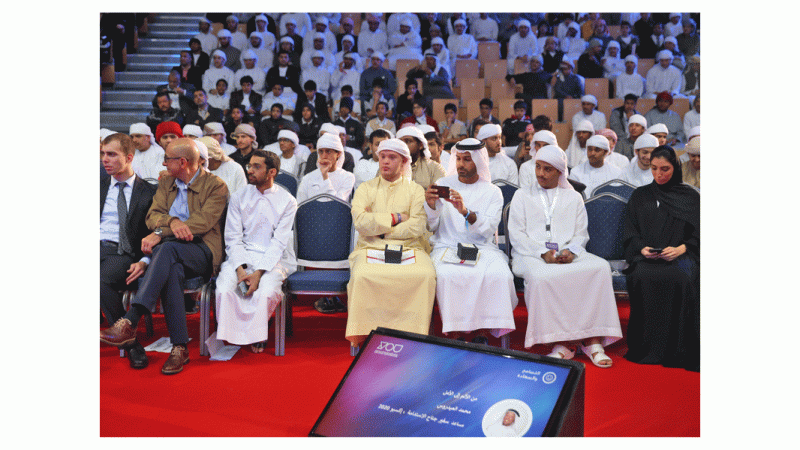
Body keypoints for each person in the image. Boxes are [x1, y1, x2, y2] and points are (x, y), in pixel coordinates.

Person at [100, 138, 228, 375]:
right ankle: (180, 348)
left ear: (183, 162)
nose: (163, 163)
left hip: (202, 250)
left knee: (166, 251)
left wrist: (161, 233)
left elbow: (201, 223)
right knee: (171, 270)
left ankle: (131, 319)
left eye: (167, 159)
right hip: (169, 251)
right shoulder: (167, 182)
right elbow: (152, 216)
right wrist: (171, 223)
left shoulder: (216, 186)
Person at [507, 145, 622, 366]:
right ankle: (561, 343)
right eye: (538, 167)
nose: (540, 173)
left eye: (547, 169)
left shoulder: (573, 197)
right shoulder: (522, 195)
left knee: (600, 268)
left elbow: (581, 234)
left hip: (568, 252)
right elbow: (517, 235)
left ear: (560, 172)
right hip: (530, 254)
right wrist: (542, 253)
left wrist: (571, 251)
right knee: (542, 277)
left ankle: (593, 340)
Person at [345, 138, 437, 349]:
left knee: (424, 275)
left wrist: (380, 230)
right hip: (370, 247)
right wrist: (397, 218)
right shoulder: (365, 188)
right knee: (362, 275)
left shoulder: (416, 190)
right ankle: (365, 336)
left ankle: (415, 337)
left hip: (410, 248)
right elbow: (361, 222)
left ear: (404, 162)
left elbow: (416, 227)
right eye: (382, 157)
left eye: (392, 157)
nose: (385, 161)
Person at [424, 138, 517, 343]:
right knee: (448, 274)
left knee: (500, 275)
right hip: (447, 246)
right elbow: (431, 226)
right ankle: (455, 332)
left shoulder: (492, 192)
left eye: (467, 159)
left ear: (479, 161)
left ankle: (482, 331)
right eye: (458, 159)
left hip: (483, 248)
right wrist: (430, 206)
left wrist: (465, 212)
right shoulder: (443, 185)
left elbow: (488, 230)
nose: (460, 164)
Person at [623, 145, 700, 372]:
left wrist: (681, 249)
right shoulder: (640, 195)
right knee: (641, 275)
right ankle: (646, 347)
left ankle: (678, 349)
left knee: (682, 277)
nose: (659, 174)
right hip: (647, 258)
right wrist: (642, 249)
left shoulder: (691, 197)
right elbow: (630, 231)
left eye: (665, 169)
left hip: (681, 257)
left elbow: (700, 233)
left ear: (675, 167)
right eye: (654, 168)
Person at [215, 149, 297, 353]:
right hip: (241, 255)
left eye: (256, 167)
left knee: (266, 291)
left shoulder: (287, 201)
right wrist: (240, 269)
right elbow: (232, 237)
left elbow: (279, 243)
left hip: (274, 259)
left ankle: (258, 334)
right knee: (224, 288)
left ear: (272, 172)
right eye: (249, 166)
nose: (250, 170)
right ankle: (232, 333)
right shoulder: (238, 196)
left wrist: (258, 273)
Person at [100, 133, 158, 369]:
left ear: (129, 157)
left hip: (123, 252)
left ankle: (131, 344)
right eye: (103, 154)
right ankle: (129, 338)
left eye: (111, 154)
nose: (105, 159)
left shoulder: (149, 192)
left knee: (99, 281)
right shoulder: (96, 186)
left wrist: (145, 259)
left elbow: (156, 232)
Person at [296, 132, 355, 204]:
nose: (324, 156)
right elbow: (301, 206)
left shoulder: (348, 177)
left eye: (328, 151)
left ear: (338, 154)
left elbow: (336, 204)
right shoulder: (307, 178)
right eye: (321, 152)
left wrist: (325, 176)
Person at [397, 126, 446, 190]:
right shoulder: (389, 166)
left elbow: (440, 195)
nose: (403, 145)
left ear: (420, 145)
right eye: (400, 142)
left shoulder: (435, 168)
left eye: (408, 141)